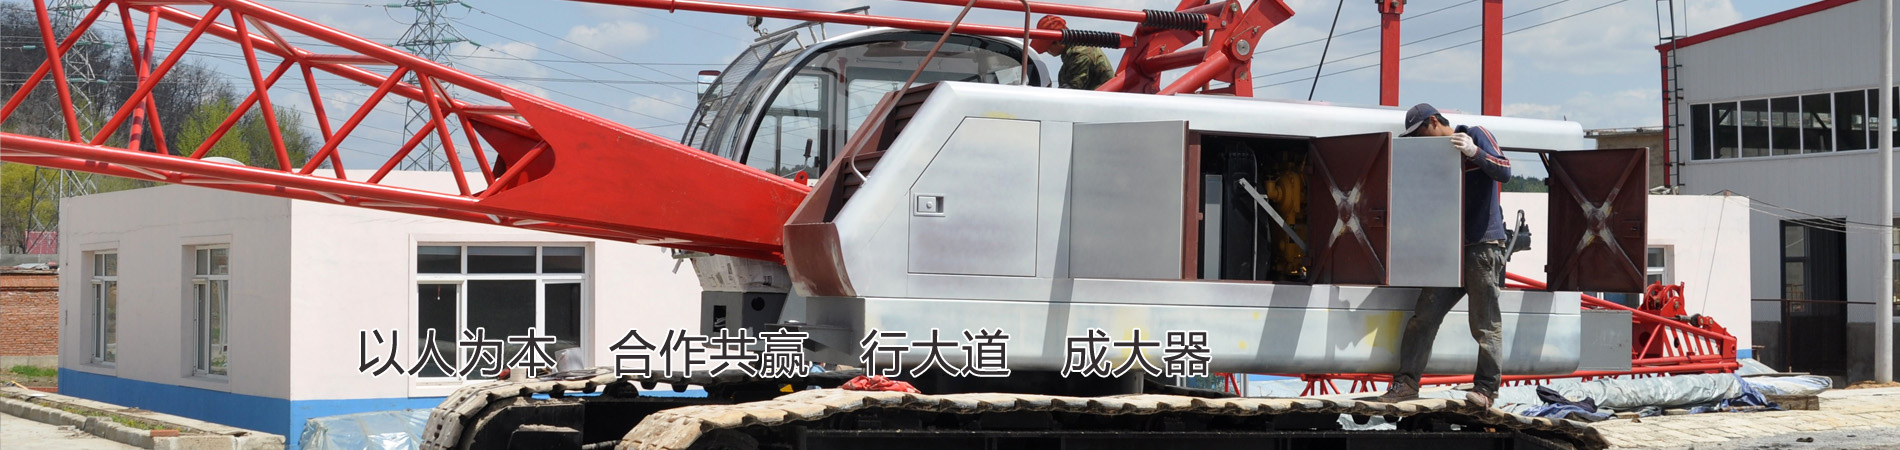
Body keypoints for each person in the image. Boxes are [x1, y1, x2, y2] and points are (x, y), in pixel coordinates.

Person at [1375, 103, 1513, 408]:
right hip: (1447, 249)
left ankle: (1486, 390)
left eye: (1419, 133)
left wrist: (1474, 152)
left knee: (1485, 323)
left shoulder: (1475, 135)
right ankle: (1406, 383)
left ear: (1434, 122)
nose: (1417, 141)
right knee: (1423, 318)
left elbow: (1504, 170)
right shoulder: (1432, 156)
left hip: (1481, 246)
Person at [1028, 15, 1113, 90]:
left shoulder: (1080, 55)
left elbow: (1070, 92)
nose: (1046, 51)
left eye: (1047, 48)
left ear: (1058, 42)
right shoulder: (1071, 54)